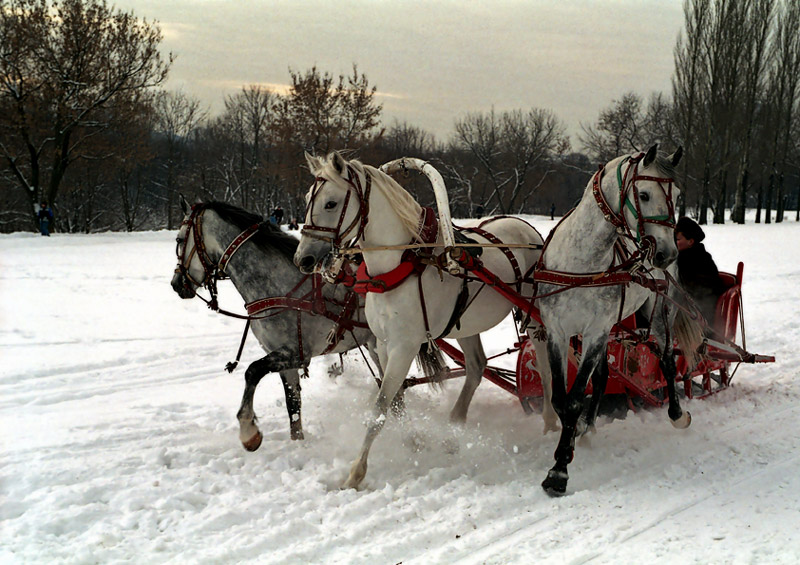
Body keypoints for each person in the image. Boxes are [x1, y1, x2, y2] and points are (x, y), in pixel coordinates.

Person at [675, 216, 725, 326]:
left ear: (690, 241)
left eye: (678, 239)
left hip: (701, 310)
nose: (674, 242)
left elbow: (699, 289)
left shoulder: (700, 259)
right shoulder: (676, 257)